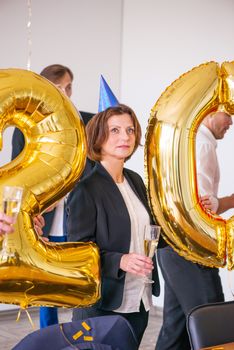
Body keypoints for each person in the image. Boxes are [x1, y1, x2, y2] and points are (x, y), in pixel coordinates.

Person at [67, 104, 161, 345]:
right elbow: (77, 251)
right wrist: (120, 260)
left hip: (139, 300)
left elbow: (149, 231)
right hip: (103, 304)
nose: (125, 137)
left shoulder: (135, 180)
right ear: (98, 138)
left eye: (130, 130)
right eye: (115, 130)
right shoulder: (85, 188)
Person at [155, 109, 233, 350]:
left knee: (176, 328)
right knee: (213, 327)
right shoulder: (202, 145)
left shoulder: (191, 141)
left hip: (172, 247)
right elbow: (203, 208)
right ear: (209, 111)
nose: (231, 122)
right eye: (228, 114)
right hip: (192, 250)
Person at [11, 64, 75, 328]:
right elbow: (18, 175)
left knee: (70, 284)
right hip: (45, 217)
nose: (67, 93)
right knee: (48, 285)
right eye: (62, 87)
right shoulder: (24, 128)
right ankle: (50, 336)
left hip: (74, 217)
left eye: (70, 87)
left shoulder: (75, 124)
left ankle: (74, 334)